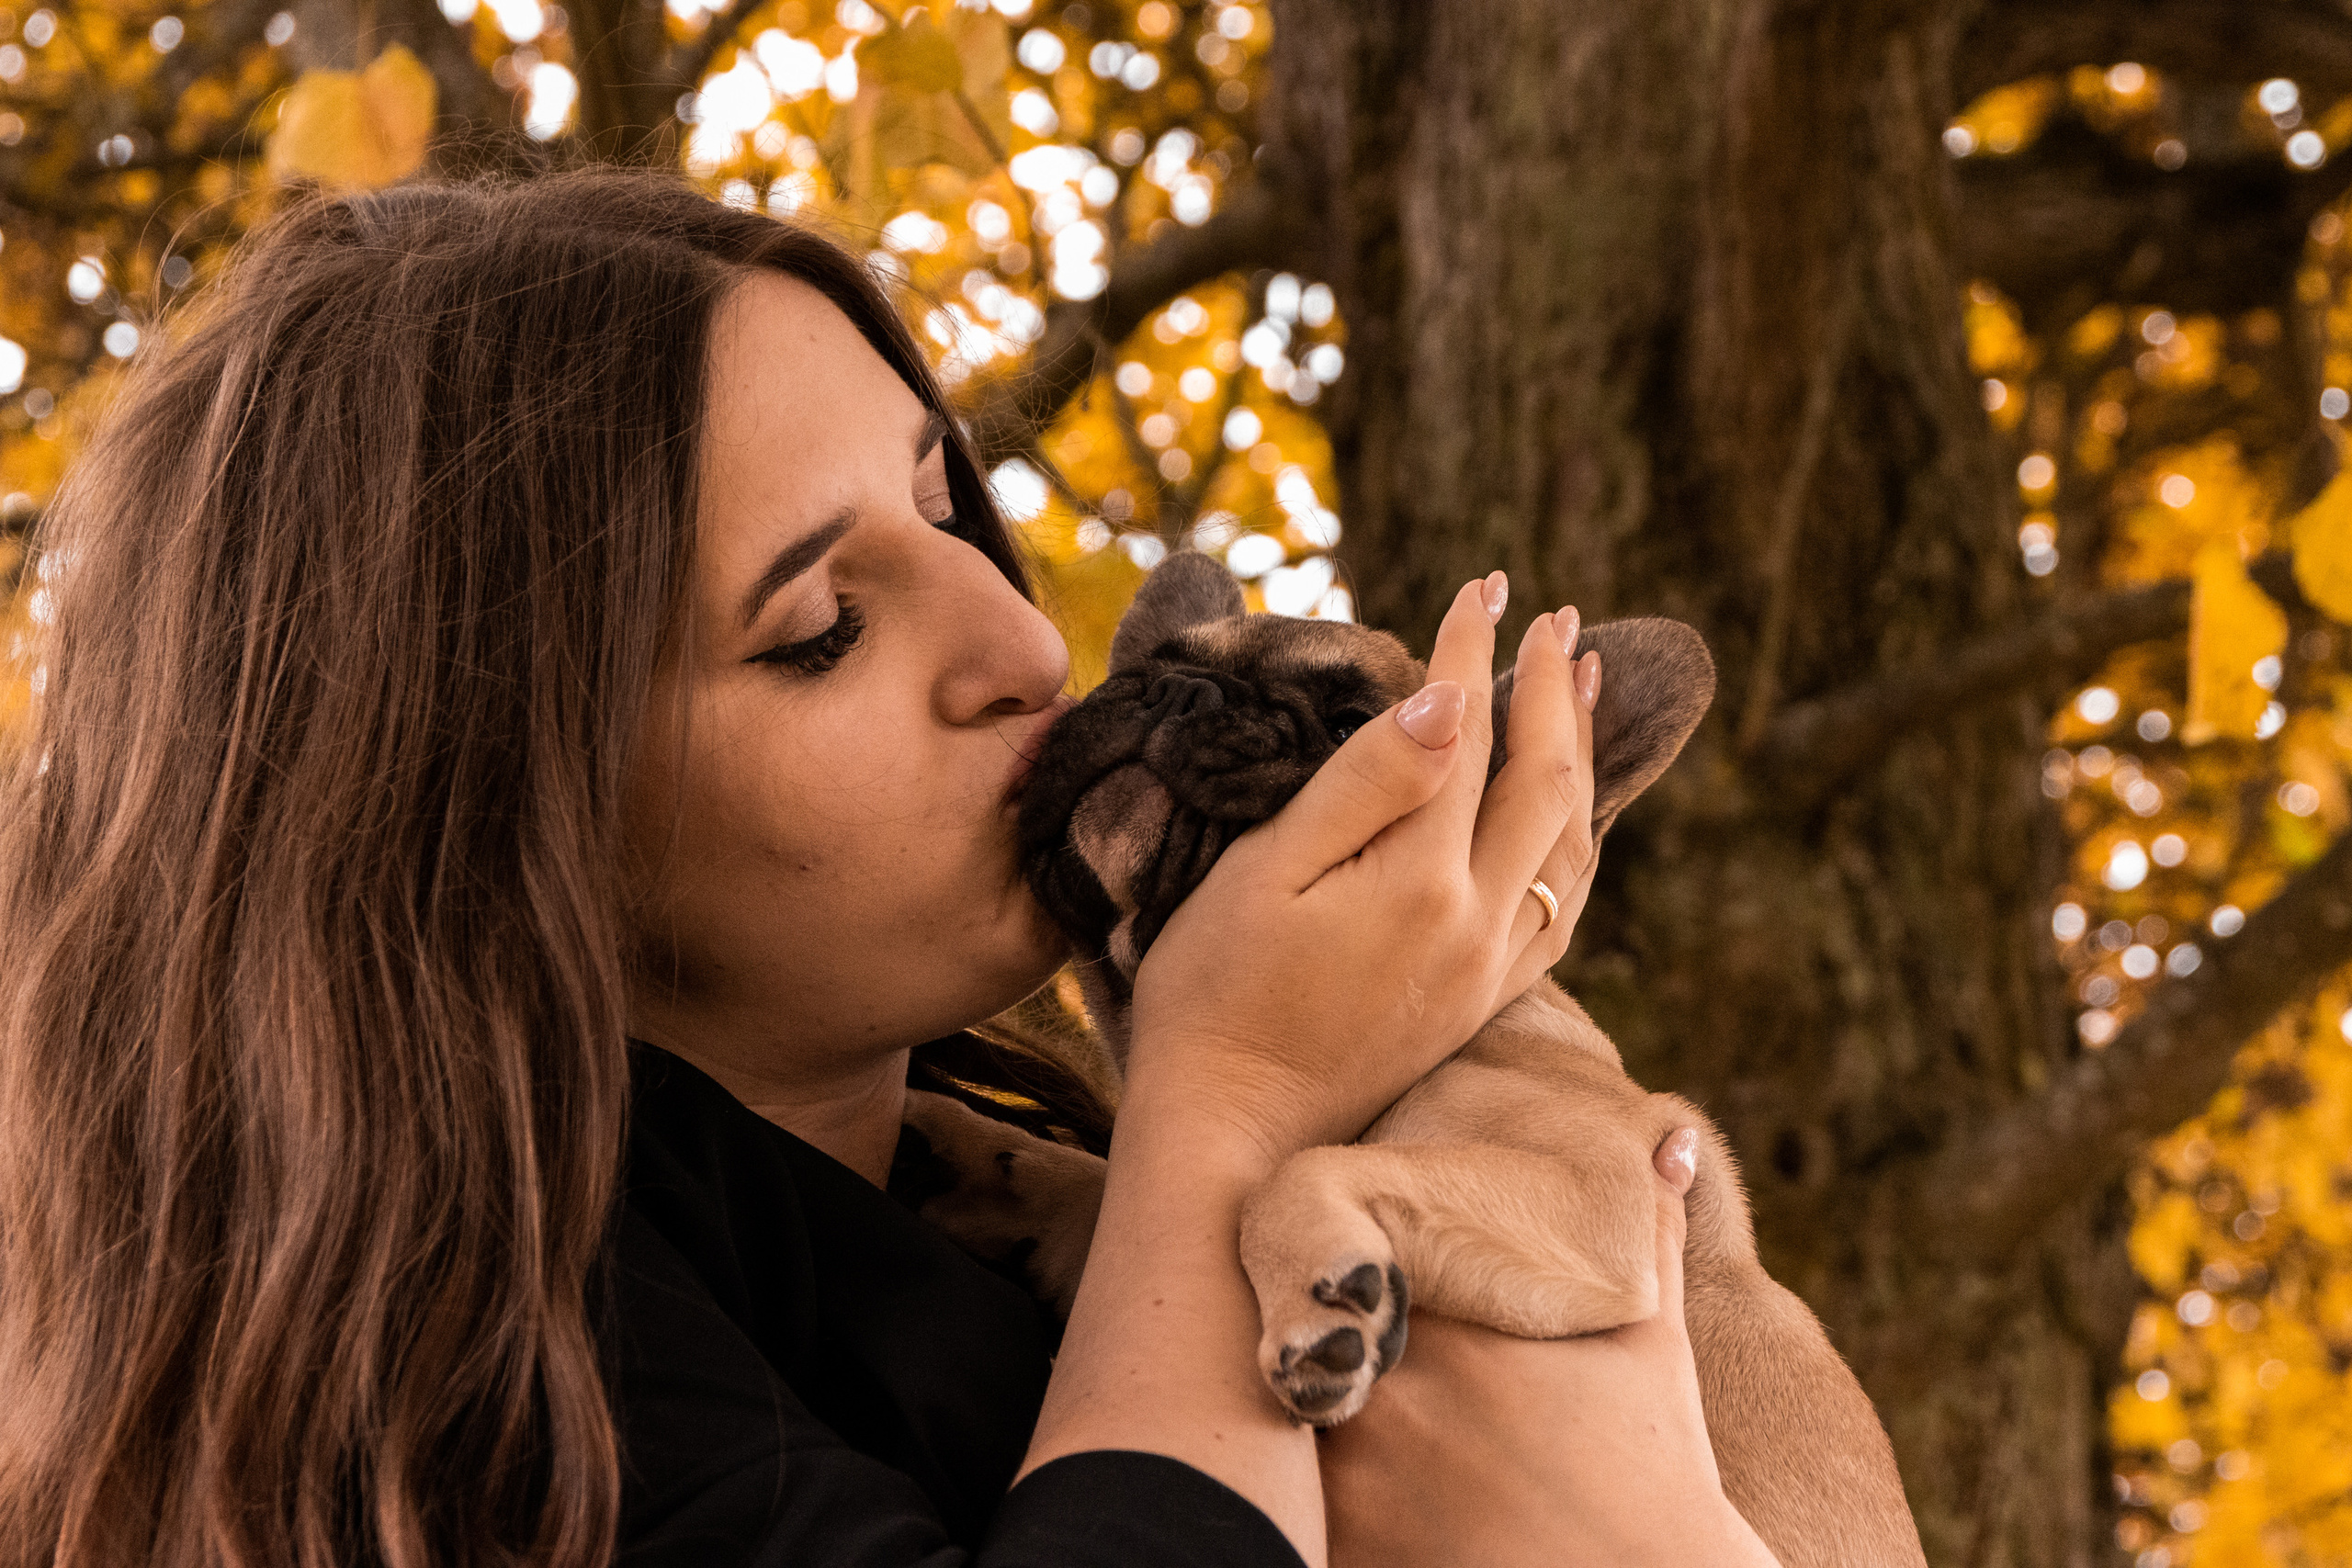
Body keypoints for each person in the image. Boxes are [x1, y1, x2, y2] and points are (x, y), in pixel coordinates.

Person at [0, 169, 1780, 1568]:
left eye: (946, 506)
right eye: (820, 627)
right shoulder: (458, 1364)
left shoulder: (1022, 1181)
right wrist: (1225, 1109)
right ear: (482, 821)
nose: (1018, 636)